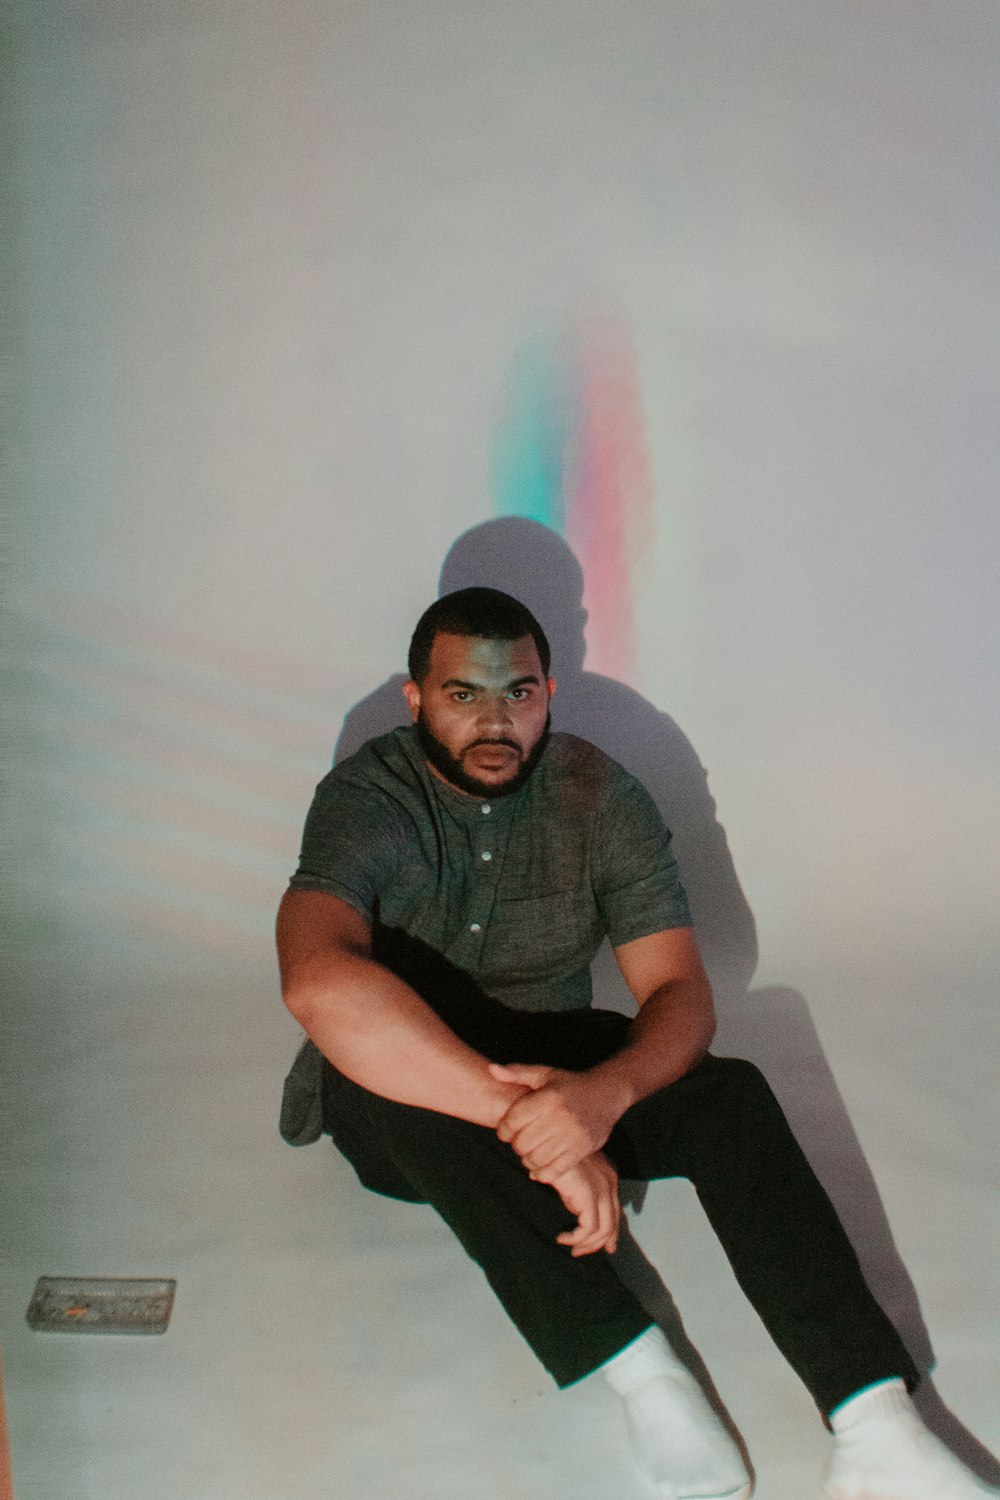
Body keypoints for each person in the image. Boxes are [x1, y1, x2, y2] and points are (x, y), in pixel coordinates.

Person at [277, 587, 995, 1500]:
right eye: (464, 695)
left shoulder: (598, 791)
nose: (496, 720)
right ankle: (644, 1374)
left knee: (728, 1094)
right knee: (404, 1092)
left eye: (521, 692)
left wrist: (601, 1096)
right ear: (416, 698)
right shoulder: (368, 794)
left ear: (548, 693)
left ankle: (875, 1425)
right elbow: (317, 982)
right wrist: (519, 1113)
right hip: (402, 1089)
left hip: (553, 1049)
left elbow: (680, 993)